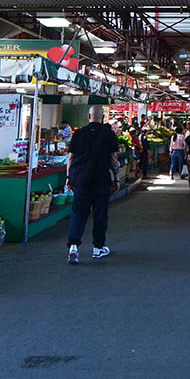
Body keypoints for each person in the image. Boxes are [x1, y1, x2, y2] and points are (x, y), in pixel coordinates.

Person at [66, 105, 120, 264]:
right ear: (102, 118)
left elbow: (71, 158)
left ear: (89, 117)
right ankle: (98, 248)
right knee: (100, 215)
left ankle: (73, 247)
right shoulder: (108, 134)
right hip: (101, 182)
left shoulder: (79, 134)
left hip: (82, 182)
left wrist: (69, 178)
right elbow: (114, 160)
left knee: (78, 213)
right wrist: (116, 178)